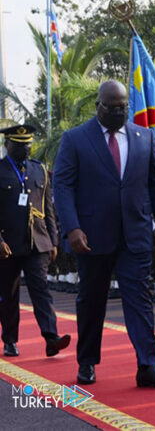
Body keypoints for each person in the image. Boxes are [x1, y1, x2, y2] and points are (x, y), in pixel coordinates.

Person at [53, 80, 155, 388]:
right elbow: (63, 187)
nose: (119, 112)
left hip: (135, 234)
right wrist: (72, 228)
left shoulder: (144, 137)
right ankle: (87, 362)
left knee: (140, 300)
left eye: (124, 107)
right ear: (99, 106)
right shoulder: (75, 139)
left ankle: (148, 365)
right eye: (113, 107)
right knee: (92, 301)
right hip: (91, 236)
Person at [0, 125, 70, 358]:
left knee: (41, 289)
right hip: (7, 245)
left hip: (37, 242)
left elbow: (47, 208)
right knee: (9, 294)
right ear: (7, 145)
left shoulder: (39, 170)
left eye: (28, 144)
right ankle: (10, 340)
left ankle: (52, 338)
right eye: (20, 145)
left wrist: (53, 240)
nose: (25, 148)